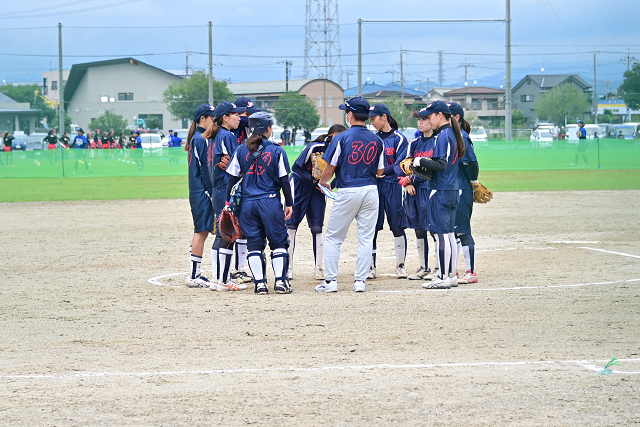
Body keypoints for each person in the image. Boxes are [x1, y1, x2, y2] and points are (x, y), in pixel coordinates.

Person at [316, 96, 385, 293]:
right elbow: (380, 172)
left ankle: (331, 282)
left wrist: (323, 182)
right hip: (371, 190)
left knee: (334, 238)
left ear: (350, 114)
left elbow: (329, 169)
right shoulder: (376, 139)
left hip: (348, 189)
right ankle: (360, 281)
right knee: (365, 237)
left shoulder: (341, 138)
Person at [225, 111, 294, 295]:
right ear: (268, 129)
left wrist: (227, 202)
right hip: (269, 202)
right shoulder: (276, 150)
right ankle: (280, 282)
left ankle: (260, 284)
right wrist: (289, 203)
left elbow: (231, 179)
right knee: (279, 242)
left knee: (254, 245)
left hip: (247, 204)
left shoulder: (240, 150)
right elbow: (284, 180)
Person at [413, 101, 466, 289]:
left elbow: (441, 164)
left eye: (430, 116)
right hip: (451, 188)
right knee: (450, 234)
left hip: (440, 189)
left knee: (442, 235)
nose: (429, 119)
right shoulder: (452, 133)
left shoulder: (443, 135)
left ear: (440, 115)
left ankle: (443, 276)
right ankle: (450, 275)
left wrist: (420, 161)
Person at [286, 123, 347, 281]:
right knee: (291, 226)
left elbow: (339, 174)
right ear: (330, 137)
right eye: (337, 137)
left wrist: (328, 187)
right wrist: (315, 182)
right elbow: (296, 168)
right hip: (300, 186)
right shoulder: (315, 147)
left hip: (317, 190)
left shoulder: (341, 151)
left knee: (317, 228)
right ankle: (288, 268)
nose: (340, 140)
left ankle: (319, 268)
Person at [204, 100, 250, 291]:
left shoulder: (214, 136)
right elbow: (238, 166)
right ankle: (223, 280)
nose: (239, 117)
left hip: (217, 188)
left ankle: (217, 278)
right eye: (235, 114)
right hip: (226, 188)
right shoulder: (227, 135)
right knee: (229, 232)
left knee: (221, 233)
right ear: (225, 117)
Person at [394, 110, 438, 282]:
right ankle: (423, 267)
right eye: (419, 120)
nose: (421, 123)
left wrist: (412, 178)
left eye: (425, 119)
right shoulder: (414, 143)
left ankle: (438, 266)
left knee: (434, 229)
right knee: (419, 229)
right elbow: (401, 166)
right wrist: (407, 182)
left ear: (432, 121)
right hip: (414, 191)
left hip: (429, 189)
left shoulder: (437, 142)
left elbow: (435, 169)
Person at [368, 103, 409, 279]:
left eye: (373, 119)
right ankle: (370, 267)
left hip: (393, 186)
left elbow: (400, 164)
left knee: (397, 226)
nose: (372, 123)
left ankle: (400, 266)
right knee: (371, 228)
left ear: (383, 117)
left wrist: (380, 172)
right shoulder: (373, 138)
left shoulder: (399, 138)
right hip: (375, 187)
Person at [184, 104, 216, 288]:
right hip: (202, 191)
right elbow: (205, 169)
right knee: (201, 231)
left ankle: (195, 272)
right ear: (202, 118)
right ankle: (194, 275)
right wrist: (211, 192)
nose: (214, 120)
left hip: (199, 191)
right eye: (211, 117)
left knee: (202, 231)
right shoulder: (200, 139)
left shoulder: (198, 138)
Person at [448, 102, 480, 284]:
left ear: (457, 117)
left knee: (462, 230)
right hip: (452, 188)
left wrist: (473, 182)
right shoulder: (449, 135)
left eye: (448, 115)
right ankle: (454, 270)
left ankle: (471, 271)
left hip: (462, 188)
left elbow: (473, 163)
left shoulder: (462, 137)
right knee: (452, 230)